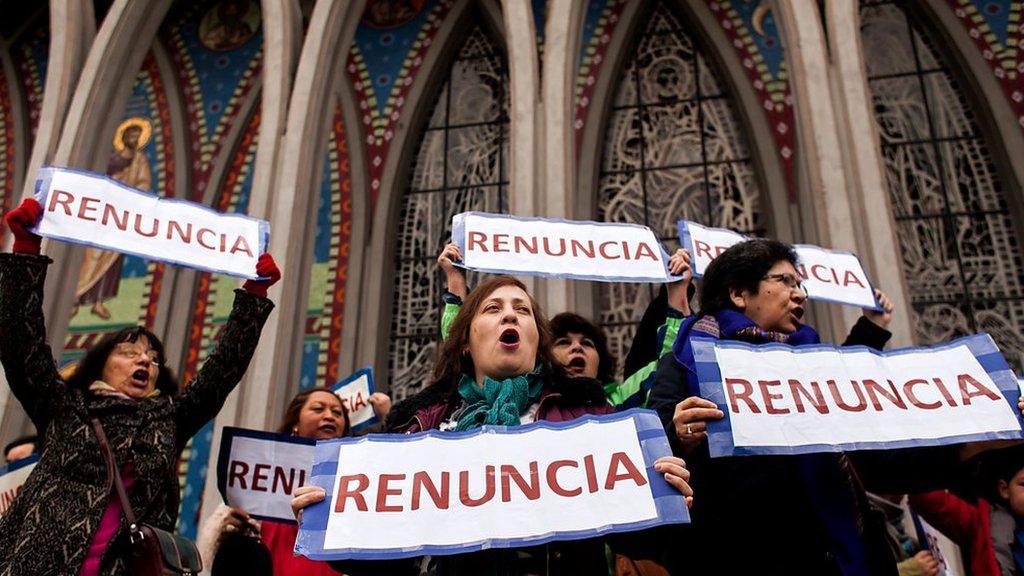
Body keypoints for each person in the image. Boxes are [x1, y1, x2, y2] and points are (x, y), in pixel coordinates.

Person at [292, 275, 692, 575]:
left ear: (536, 340)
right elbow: (382, 561)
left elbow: (637, 539)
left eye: (521, 310)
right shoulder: (415, 429)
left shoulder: (590, 419)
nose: (509, 314)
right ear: (466, 340)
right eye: (492, 308)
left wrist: (666, 494)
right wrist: (329, 521)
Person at [647, 238, 964, 575]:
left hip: (831, 556)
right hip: (733, 553)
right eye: (784, 281)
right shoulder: (685, 361)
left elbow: (877, 456)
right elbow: (652, 452)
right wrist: (680, 436)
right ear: (739, 294)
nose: (799, 294)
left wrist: (974, 441)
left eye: (799, 284)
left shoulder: (814, 362)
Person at [0, 197, 280, 575]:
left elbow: (221, 373)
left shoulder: (168, 420)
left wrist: (254, 294)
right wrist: (26, 249)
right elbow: (21, 343)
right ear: (101, 363)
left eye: (152, 356)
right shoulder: (65, 408)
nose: (144, 360)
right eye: (130, 352)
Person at [437, 242, 692, 409]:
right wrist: (456, 287)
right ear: (543, 352)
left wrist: (677, 298)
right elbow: (467, 344)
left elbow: (668, 367)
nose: (577, 349)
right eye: (564, 342)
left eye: (587, 344)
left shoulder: (612, 403)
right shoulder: (531, 399)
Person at [198, 387, 392, 575]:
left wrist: (391, 417)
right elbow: (213, 556)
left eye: (337, 412)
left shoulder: (356, 478)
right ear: (295, 423)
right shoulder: (260, 472)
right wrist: (226, 534)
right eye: (318, 409)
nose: (329, 416)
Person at [909, 443, 1024, 576]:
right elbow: (928, 498)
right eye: (1023, 484)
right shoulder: (983, 524)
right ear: (1004, 489)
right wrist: (966, 451)